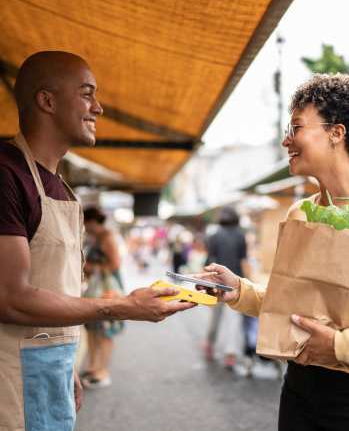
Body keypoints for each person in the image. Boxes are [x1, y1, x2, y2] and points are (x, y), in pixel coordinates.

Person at [0, 51, 195, 431]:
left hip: (51, 364)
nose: (99, 108)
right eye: (87, 94)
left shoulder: (63, 189)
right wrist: (122, 306)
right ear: (47, 100)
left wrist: (67, 364)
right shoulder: (7, 174)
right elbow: (11, 298)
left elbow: (53, 284)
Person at [200, 74, 349, 430]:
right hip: (300, 387)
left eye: (296, 128)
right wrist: (240, 292)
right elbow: (294, 303)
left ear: (336, 133)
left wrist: (342, 345)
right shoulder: (299, 214)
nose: (285, 140)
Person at [81, 206, 125, 389]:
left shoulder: (107, 237)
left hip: (108, 289)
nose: (84, 226)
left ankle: (102, 371)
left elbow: (115, 264)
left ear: (92, 221)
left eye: (85, 222)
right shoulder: (96, 237)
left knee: (106, 331)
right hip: (95, 290)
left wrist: (92, 268)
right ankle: (93, 366)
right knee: (92, 329)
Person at [203, 206, 250, 368]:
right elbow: (244, 262)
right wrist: (249, 283)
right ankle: (230, 354)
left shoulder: (213, 236)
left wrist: (206, 285)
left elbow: (209, 261)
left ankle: (209, 345)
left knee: (215, 318)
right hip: (235, 284)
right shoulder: (241, 235)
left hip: (216, 283)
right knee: (233, 320)